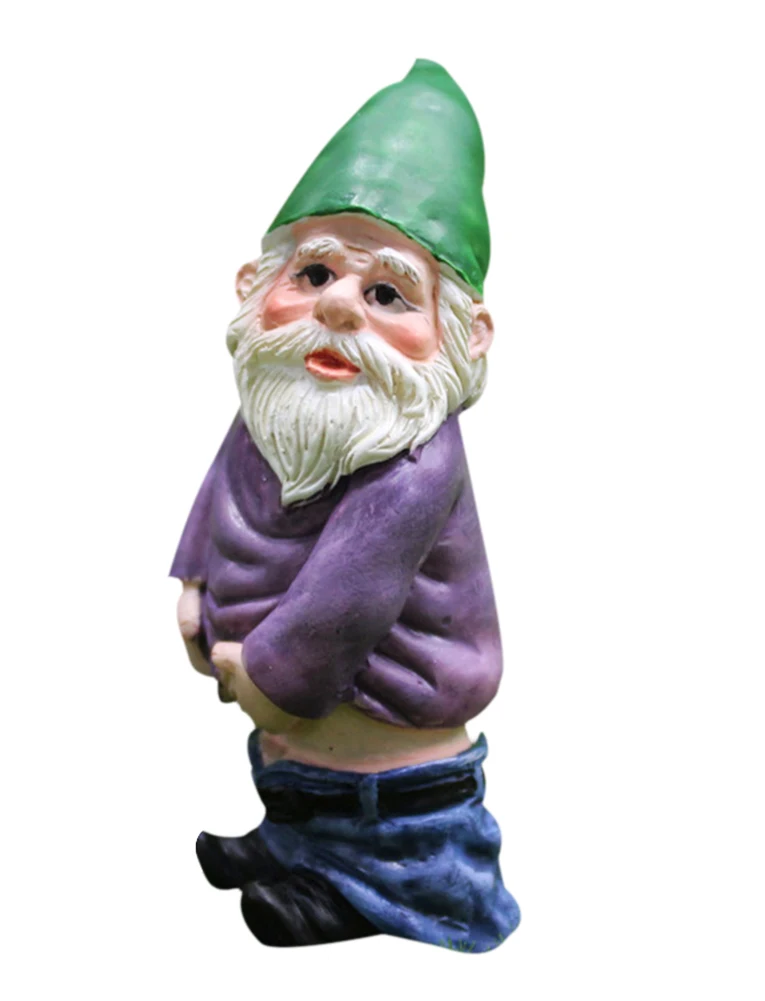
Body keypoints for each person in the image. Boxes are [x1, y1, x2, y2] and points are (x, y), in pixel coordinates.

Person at [170, 59, 519, 951]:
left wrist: (264, 676)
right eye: (315, 272)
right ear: (254, 285)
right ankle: (293, 844)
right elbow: (217, 495)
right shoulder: (278, 406)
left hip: (373, 711)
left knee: (382, 806)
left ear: (465, 334)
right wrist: (194, 581)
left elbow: (342, 603)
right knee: (298, 774)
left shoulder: (412, 464)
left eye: (386, 293)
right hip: (282, 700)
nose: (336, 309)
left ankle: (374, 891)